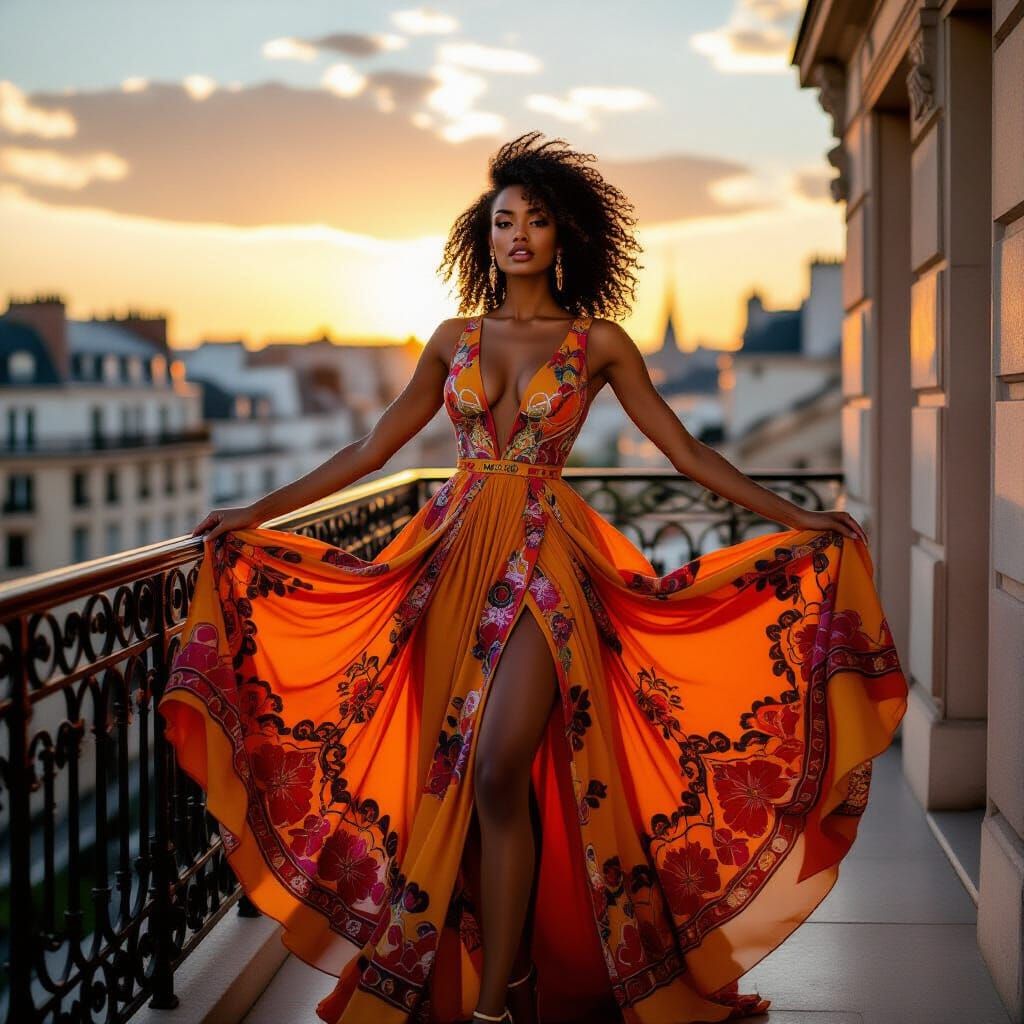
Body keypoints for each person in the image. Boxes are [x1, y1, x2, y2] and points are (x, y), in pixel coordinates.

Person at [158, 131, 907, 1024]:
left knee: (500, 768)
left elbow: (686, 451)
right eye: (503, 220)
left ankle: (493, 1009)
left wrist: (797, 517)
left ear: (565, 238)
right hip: (448, 565)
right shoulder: (450, 337)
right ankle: (507, 982)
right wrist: (255, 513)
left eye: (537, 220)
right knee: (463, 783)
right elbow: (369, 450)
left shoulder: (599, 344)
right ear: (486, 236)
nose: (518, 235)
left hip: (549, 563)